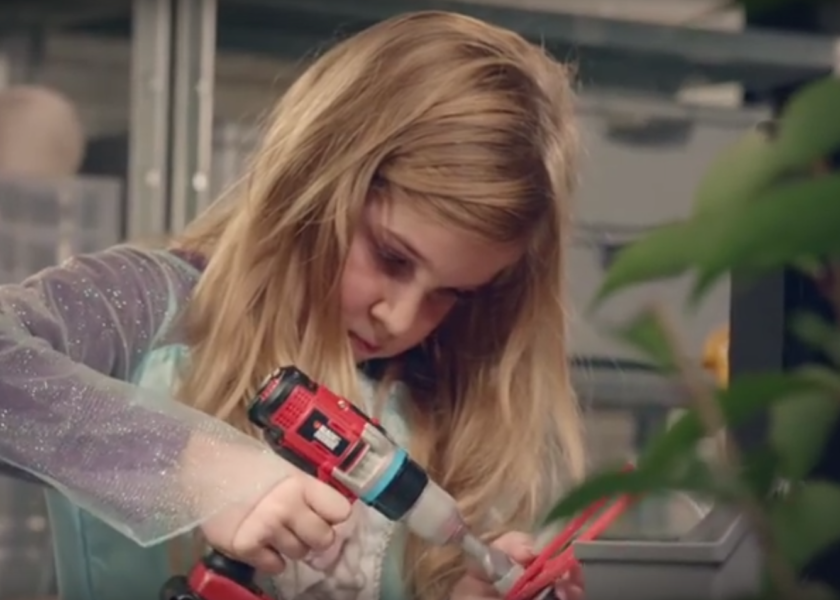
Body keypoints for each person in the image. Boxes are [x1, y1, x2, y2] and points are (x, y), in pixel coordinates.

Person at [30, 10, 585, 600]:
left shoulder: (445, 399)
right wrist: (192, 468)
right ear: (315, 182)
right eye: (391, 257)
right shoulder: (144, 304)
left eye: (453, 292)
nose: (399, 319)